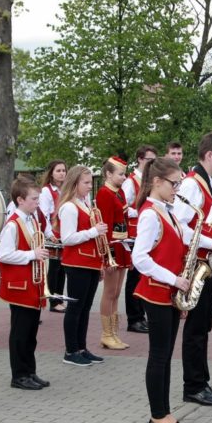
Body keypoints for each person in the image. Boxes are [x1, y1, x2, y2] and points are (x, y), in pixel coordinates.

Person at [132, 157, 212, 423]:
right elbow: (139, 258)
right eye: (174, 184)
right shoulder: (150, 214)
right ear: (157, 182)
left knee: (166, 356)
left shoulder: (167, 210)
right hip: (156, 292)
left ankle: (165, 412)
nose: (177, 189)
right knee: (159, 357)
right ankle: (158, 416)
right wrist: (175, 280)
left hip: (169, 292)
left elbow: (185, 237)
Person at [172, 132, 212, 406]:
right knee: (196, 328)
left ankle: (202, 381)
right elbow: (180, 227)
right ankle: (194, 385)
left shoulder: (206, 181)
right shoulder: (191, 184)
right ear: (209, 155)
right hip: (198, 262)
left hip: (207, 262)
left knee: (203, 325)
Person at [0, 177, 51, 391]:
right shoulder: (12, 224)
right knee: (21, 332)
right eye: (34, 199)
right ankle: (19, 375)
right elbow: (4, 254)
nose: (38, 203)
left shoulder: (32, 220)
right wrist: (32, 254)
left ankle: (30, 371)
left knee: (30, 333)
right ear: (20, 200)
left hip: (32, 283)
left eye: (38, 198)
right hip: (19, 285)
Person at [58, 164, 106, 367]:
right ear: (74, 183)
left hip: (90, 262)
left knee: (85, 308)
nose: (89, 186)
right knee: (75, 308)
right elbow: (67, 238)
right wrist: (94, 231)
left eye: (90, 182)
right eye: (85, 182)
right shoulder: (69, 207)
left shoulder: (84, 203)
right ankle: (70, 350)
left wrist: (100, 262)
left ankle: (81, 347)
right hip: (77, 263)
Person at [95, 156, 131, 350]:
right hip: (112, 246)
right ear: (108, 174)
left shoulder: (120, 192)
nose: (124, 178)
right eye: (121, 174)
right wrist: (106, 256)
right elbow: (106, 224)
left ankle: (114, 333)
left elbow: (125, 219)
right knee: (109, 292)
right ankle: (106, 334)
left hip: (122, 244)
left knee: (117, 292)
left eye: (125, 174)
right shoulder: (104, 193)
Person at [122, 145, 158, 334]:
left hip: (147, 233)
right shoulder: (131, 181)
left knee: (143, 275)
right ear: (140, 159)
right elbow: (123, 207)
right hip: (134, 234)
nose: (152, 163)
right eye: (149, 160)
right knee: (134, 277)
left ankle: (141, 316)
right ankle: (133, 318)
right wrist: (142, 211)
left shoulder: (150, 180)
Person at [39, 159, 67, 312]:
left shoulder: (66, 190)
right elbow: (44, 215)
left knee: (63, 267)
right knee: (55, 267)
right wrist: (49, 234)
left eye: (64, 170)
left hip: (65, 232)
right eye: (58, 171)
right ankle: (53, 301)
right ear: (51, 173)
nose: (62, 173)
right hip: (54, 233)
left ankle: (59, 298)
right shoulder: (46, 191)